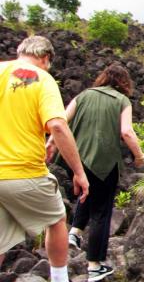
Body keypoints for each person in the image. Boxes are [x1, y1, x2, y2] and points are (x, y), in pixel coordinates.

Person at [0, 36, 89, 282]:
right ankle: (60, 278)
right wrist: (78, 171)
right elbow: (58, 126)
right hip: (23, 171)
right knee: (57, 218)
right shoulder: (42, 78)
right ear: (46, 58)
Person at [46, 63, 144, 281]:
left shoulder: (83, 95)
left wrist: (51, 143)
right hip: (105, 162)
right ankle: (94, 265)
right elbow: (127, 132)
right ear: (124, 83)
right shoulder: (122, 101)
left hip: (79, 160)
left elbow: (60, 120)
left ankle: (75, 233)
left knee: (85, 193)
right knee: (101, 211)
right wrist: (139, 156)